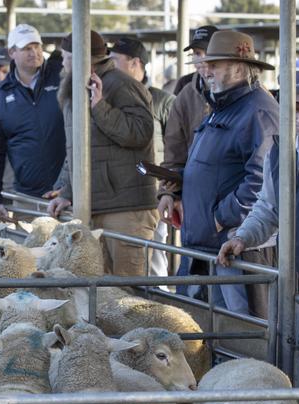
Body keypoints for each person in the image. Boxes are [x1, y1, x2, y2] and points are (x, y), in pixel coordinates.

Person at [178, 30, 279, 316]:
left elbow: (262, 179)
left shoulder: (258, 111)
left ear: (238, 66)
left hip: (234, 248)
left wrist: (221, 217)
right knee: (210, 330)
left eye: (214, 64)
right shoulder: (224, 107)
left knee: (238, 332)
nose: (205, 71)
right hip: (209, 244)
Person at [45, 31, 157, 277]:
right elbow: (78, 147)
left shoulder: (121, 84)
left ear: (79, 58)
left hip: (125, 208)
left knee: (128, 291)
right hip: (97, 205)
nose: (62, 63)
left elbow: (141, 132)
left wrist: (101, 108)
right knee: (101, 291)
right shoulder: (76, 87)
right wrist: (68, 191)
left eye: (65, 57)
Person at [218, 70, 299, 293]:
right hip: (293, 277)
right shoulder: (279, 153)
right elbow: (268, 207)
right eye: (295, 109)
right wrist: (243, 237)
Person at [0, 24, 65, 221]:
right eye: (27, 48)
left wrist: (71, 187)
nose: (34, 52)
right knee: (29, 251)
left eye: (37, 46)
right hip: (27, 196)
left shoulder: (63, 79)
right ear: (12, 52)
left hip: (67, 195)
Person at [109, 37, 175, 281]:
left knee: (155, 258)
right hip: (120, 196)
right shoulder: (110, 97)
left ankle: (161, 308)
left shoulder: (162, 101)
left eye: (115, 60)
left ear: (135, 63)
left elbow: (176, 149)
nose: (109, 66)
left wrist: (169, 190)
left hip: (152, 194)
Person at [157, 26, 218, 230]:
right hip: (194, 201)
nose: (199, 61)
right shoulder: (186, 93)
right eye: (196, 54)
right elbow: (174, 149)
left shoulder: (249, 95)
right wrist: (168, 192)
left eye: (204, 53)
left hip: (233, 209)